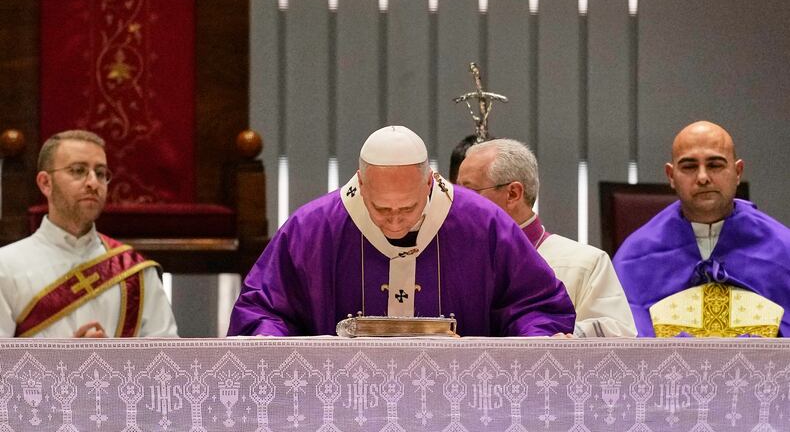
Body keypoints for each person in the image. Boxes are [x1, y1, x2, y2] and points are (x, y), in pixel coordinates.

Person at [228, 125, 575, 337]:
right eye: (381, 209)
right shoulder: (314, 229)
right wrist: (267, 340)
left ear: (429, 183)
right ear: (361, 183)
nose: (395, 221)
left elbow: (534, 304)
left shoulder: (482, 223)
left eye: (408, 208)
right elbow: (264, 310)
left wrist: (539, 338)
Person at [614, 120, 790, 337]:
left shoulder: (783, 248)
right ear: (671, 176)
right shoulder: (636, 255)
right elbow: (624, 336)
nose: (703, 177)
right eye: (689, 167)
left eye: (715, 165)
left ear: (738, 172)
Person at [0, 130, 178, 338]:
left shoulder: (134, 270)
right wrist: (65, 357)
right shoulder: (5, 266)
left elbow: (166, 354)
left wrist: (109, 356)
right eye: (78, 171)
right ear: (45, 183)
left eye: (100, 173)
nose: (93, 183)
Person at [457, 138, 637, 337]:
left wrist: (564, 339)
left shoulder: (585, 263)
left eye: (468, 191)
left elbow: (619, 333)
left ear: (513, 194)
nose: (458, 202)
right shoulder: (451, 260)